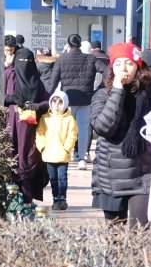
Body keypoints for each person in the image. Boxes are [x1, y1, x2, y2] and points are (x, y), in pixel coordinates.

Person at [90, 42, 151, 226]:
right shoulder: (102, 95)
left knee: (139, 235)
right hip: (111, 176)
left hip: (143, 174)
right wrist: (117, 92)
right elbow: (103, 128)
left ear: (137, 67)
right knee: (116, 240)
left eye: (129, 63)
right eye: (118, 63)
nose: (124, 69)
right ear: (112, 67)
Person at [45, 34, 106, 169]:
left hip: (67, 100)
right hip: (86, 99)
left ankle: (65, 154)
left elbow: (53, 80)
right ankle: (82, 159)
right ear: (80, 44)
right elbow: (106, 70)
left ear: (69, 44)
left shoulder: (62, 59)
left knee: (65, 128)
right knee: (83, 128)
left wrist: (46, 97)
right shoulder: (91, 59)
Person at [7, 43, 50, 204]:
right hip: (11, 127)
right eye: (21, 60)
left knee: (28, 161)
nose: (25, 64)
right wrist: (13, 99)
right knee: (12, 159)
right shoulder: (9, 75)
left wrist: (38, 106)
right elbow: (1, 96)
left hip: (31, 130)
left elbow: (48, 101)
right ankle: (12, 198)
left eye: (28, 60)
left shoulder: (37, 82)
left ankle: (26, 199)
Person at [35, 91, 79, 210]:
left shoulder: (69, 119)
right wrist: (42, 147)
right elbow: (40, 133)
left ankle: (62, 198)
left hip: (62, 155)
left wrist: (66, 148)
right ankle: (55, 198)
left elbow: (72, 135)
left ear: (65, 103)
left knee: (62, 178)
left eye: (60, 102)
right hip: (49, 154)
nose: (57, 105)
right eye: (54, 102)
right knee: (53, 178)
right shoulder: (45, 118)